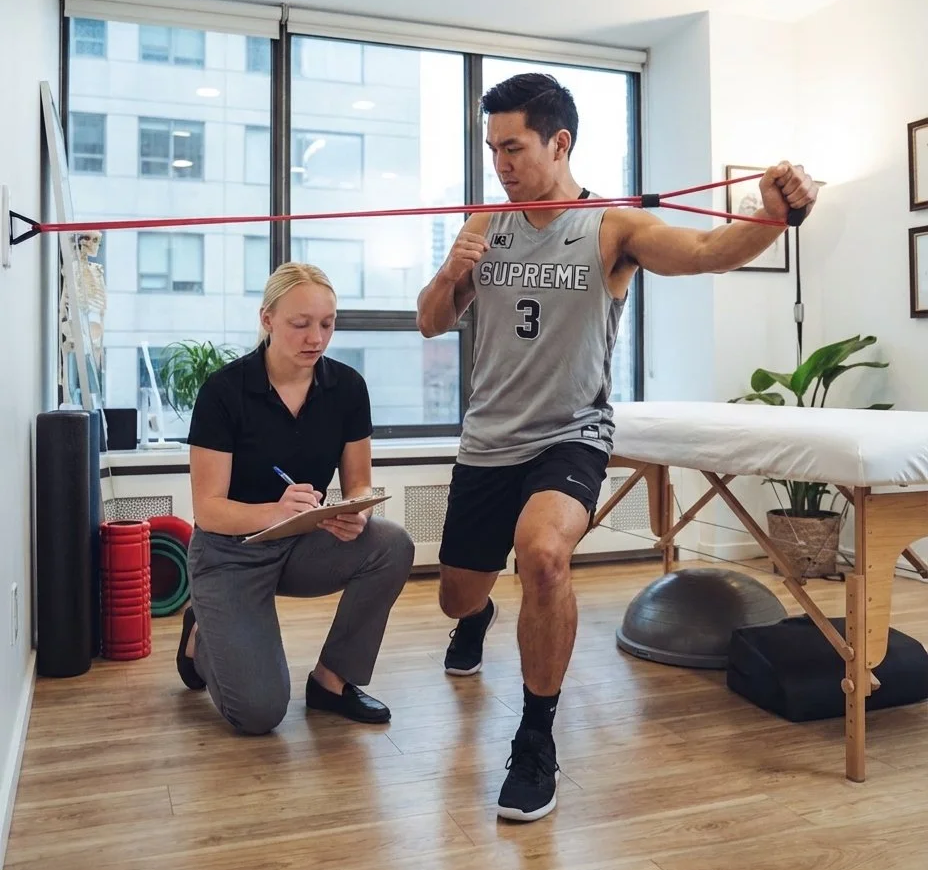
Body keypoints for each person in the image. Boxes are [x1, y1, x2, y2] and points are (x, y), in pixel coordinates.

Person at [417, 72, 817, 821]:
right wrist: (450, 274)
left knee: (544, 555)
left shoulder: (612, 230)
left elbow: (704, 251)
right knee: (455, 593)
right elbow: (431, 322)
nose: (500, 164)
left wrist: (771, 217)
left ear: (559, 142)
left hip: (570, 432)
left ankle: (536, 738)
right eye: (491, 149)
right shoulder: (484, 224)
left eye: (514, 147)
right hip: (487, 441)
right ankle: (475, 619)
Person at [175, 262, 415, 733]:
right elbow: (207, 509)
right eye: (300, 324)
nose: (316, 338)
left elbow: (359, 484)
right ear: (267, 320)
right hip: (230, 551)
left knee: (393, 544)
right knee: (259, 714)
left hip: (305, 542)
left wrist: (356, 513)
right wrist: (276, 511)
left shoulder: (347, 388)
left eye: (326, 325)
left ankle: (332, 681)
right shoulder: (224, 392)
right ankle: (199, 638)